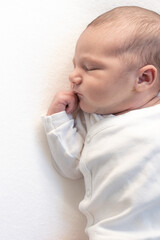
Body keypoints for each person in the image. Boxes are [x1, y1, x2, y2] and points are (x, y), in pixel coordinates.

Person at [42, 6, 160, 240]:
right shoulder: (96, 122)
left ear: (143, 78)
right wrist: (58, 120)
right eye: (75, 65)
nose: (73, 76)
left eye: (90, 68)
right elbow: (73, 166)